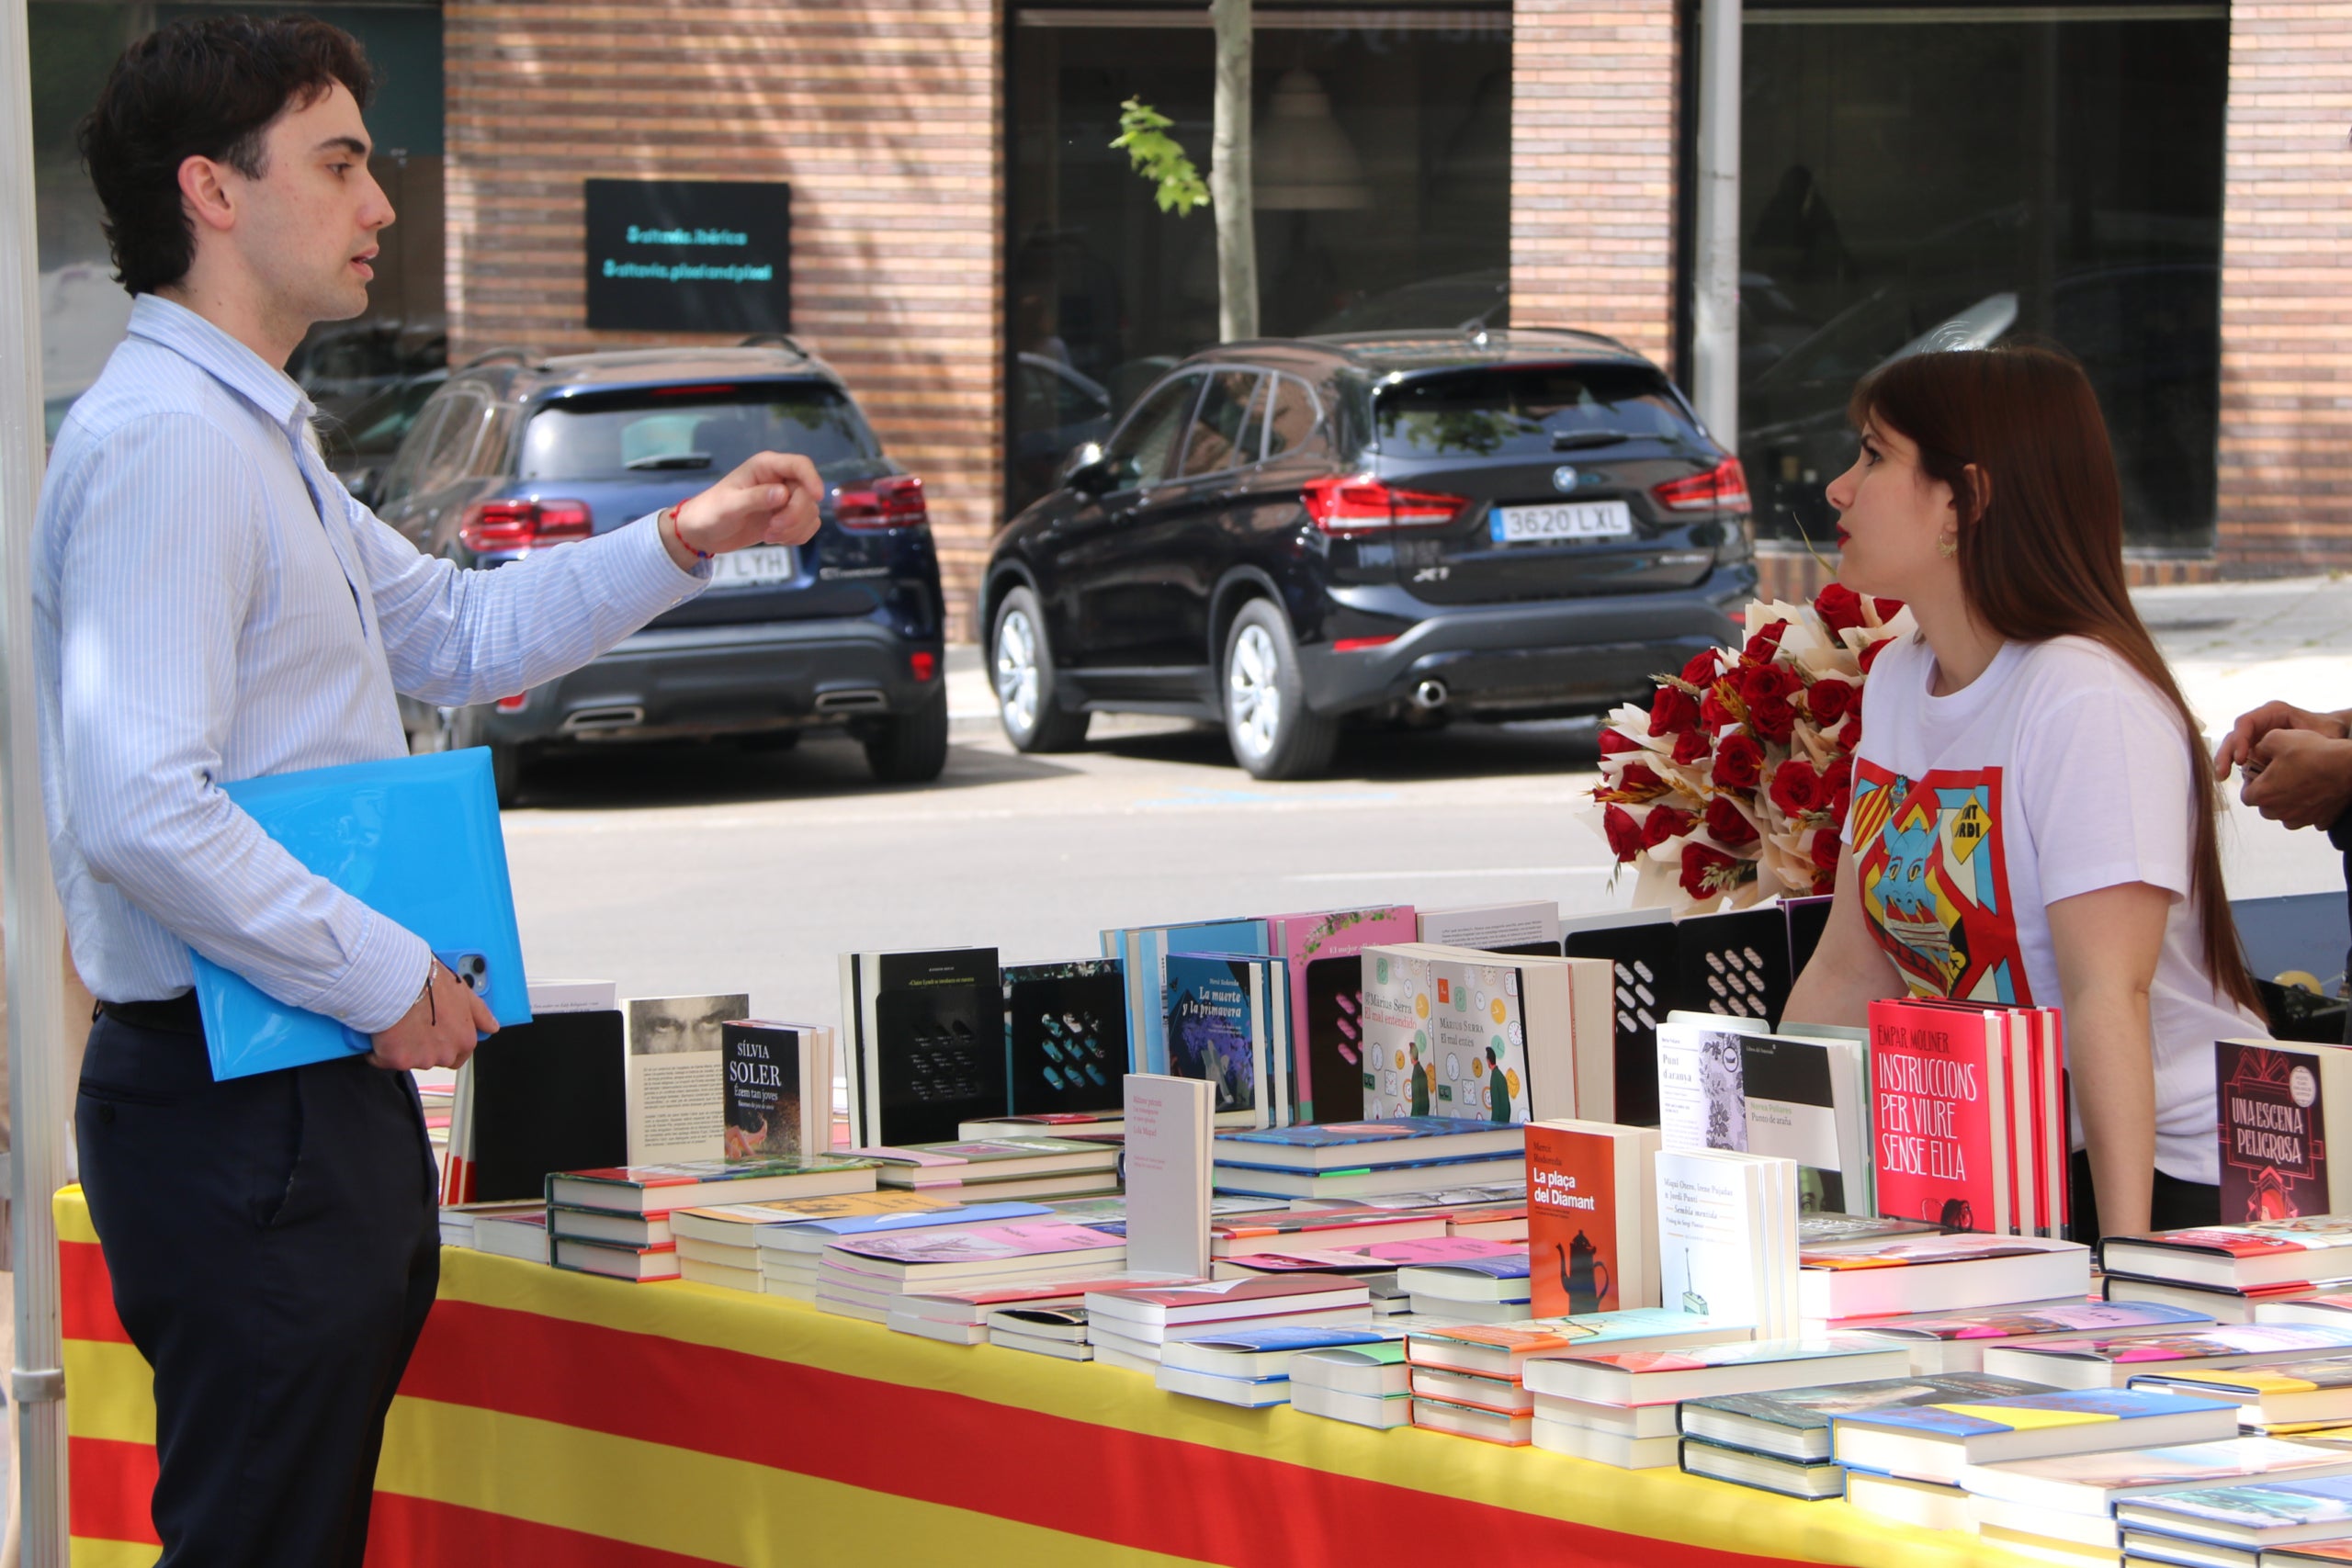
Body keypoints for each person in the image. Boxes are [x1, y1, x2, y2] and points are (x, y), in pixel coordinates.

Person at [35, 17, 821, 1564]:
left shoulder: (249, 431)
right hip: (241, 1103)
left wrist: (685, 536)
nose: (380, 205)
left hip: (292, 1101)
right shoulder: (175, 447)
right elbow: (138, 804)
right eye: (337, 165)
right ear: (210, 189)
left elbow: (453, 629)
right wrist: (387, 971)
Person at [1782, 344, 2265, 1242]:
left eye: (1874, 456)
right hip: (2001, 1155)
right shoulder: (1893, 681)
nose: (1838, 489)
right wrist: (1753, 1166)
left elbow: (2104, 998)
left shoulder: (2085, 700)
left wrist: (2123, 1266)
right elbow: (1850, 965)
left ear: (1964, 501)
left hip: (2173, 1178)